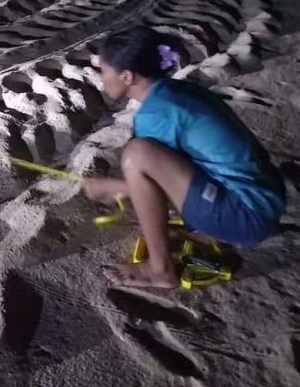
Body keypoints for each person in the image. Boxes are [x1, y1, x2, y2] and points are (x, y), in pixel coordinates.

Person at [82, 25, 285, 288]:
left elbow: (155, 188)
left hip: (247, 216)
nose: (101, 79)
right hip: (268, 197)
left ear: (127, 77)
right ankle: (200, 225)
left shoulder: (155, 115)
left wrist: (111, 187)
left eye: (104, 71)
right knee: (146, 161)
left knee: (137, 155)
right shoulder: (177, 92)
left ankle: (160, 270)